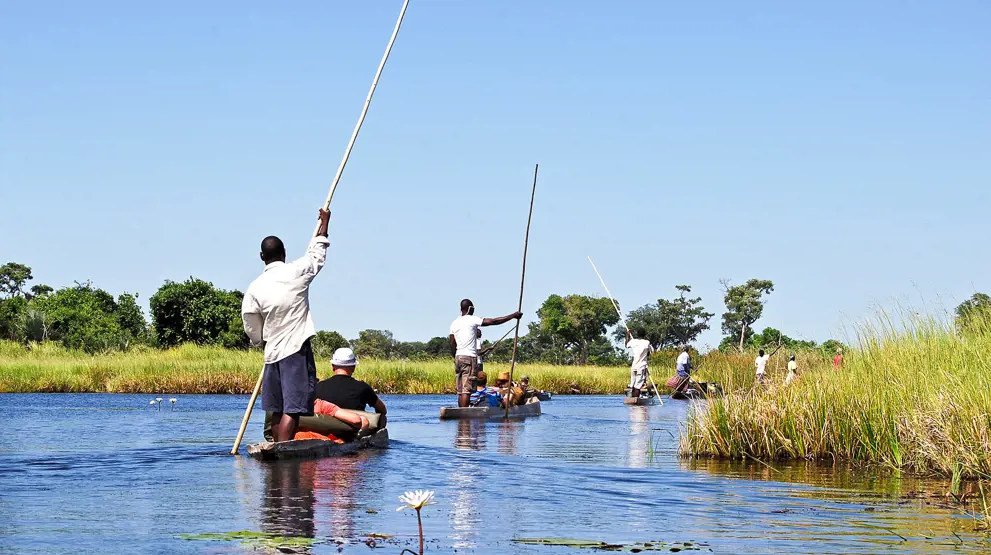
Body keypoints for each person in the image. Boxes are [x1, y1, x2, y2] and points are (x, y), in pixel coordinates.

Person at [242, 209, 330, 442]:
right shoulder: (296, 271)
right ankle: (282, 448)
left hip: (272, 354)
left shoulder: (255, 287)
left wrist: (259, 340)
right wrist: (325, 224)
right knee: (293, 408)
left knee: (277, 408)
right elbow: (317, 255)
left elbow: (251, 323)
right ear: (284, 253)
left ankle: (276, 448)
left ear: (262, 256)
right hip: (294, 350)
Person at [449, 299, 522, 407]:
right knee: (466, 390)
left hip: (458, 357)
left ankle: (461, 417)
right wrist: (513, 316)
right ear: (470, 308)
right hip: (469, 357)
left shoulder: (454, 323)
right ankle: (464, 419)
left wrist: (455, 356)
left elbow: (452, 343)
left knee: (460, 391)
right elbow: (493, 321)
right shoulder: (471, 319)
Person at [314, 347, 387, 428]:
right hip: (353, 433)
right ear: (353, 367)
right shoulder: (363, 387)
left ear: (333, 367)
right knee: (382, 418)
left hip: (325, 431)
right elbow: (382, 409)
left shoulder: (318, 387)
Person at [625, 329, 653, 398]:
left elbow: (626, 345)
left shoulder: (633, 341)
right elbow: (649, 353)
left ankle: (632, 399)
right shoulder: (647, 342)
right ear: (644, 335)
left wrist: (628, 335)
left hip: (634, 366)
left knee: (633, 384)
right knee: (637, 386)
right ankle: (636, 400)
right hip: (642, 366)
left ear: (637, 334)